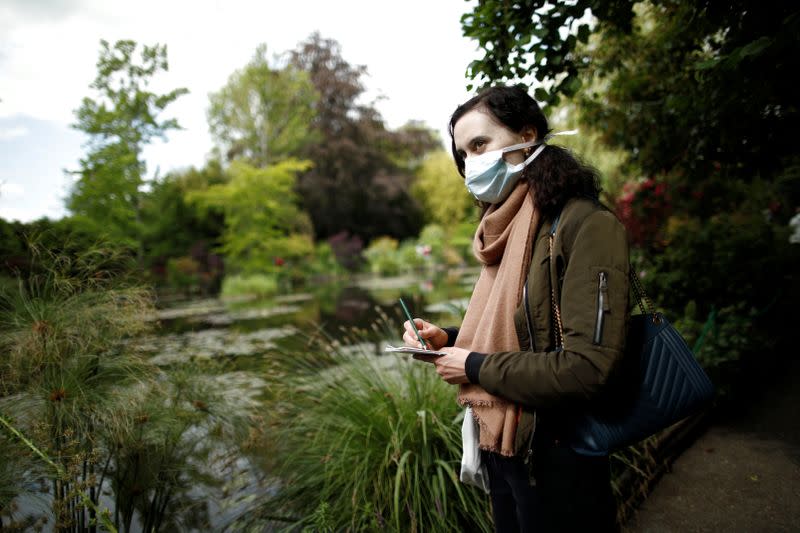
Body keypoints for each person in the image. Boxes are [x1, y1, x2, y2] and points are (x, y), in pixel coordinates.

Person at [402, 85, 629, 533]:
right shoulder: (499, 231)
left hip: (556, 453)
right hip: (502, 447)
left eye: (480, 144)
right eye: (463, 154)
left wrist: (474, 365)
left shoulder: (585, 224)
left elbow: (586, 368)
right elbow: (526, 324)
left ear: (527, 135)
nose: (470, 163)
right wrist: (448, 338)